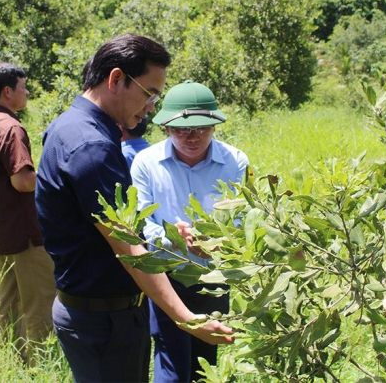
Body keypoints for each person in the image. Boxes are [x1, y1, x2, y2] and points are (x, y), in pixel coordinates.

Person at [35, 34, 233, 383]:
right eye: (150, 93)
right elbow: (129, 248)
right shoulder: (91, 147)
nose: (152, 107)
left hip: (96, 313)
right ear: (116, 79)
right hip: (104, 322)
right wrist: (187, 319)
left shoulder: (71, 126)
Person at [130, 81, 249, 383]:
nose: (192, 137)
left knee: (204, 361)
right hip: (165, 275)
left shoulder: (235, 162)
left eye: (201, 128)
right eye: (182, 129)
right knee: (170, 359)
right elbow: (142, 220)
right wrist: (170, 237)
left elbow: (240, 219)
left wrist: (215, 241)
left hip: (213, 276)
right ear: (166, 127)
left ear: (214, 126)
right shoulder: (145, 163)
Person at [0, 63, 55, 366]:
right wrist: (54, 175)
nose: (28, 91)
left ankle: (12, 364)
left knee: (7, 303)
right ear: (8, 91)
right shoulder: (10, 127)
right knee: (40, 302)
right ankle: (43, 364)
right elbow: (22, 181)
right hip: (24, 234)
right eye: (23, 86)